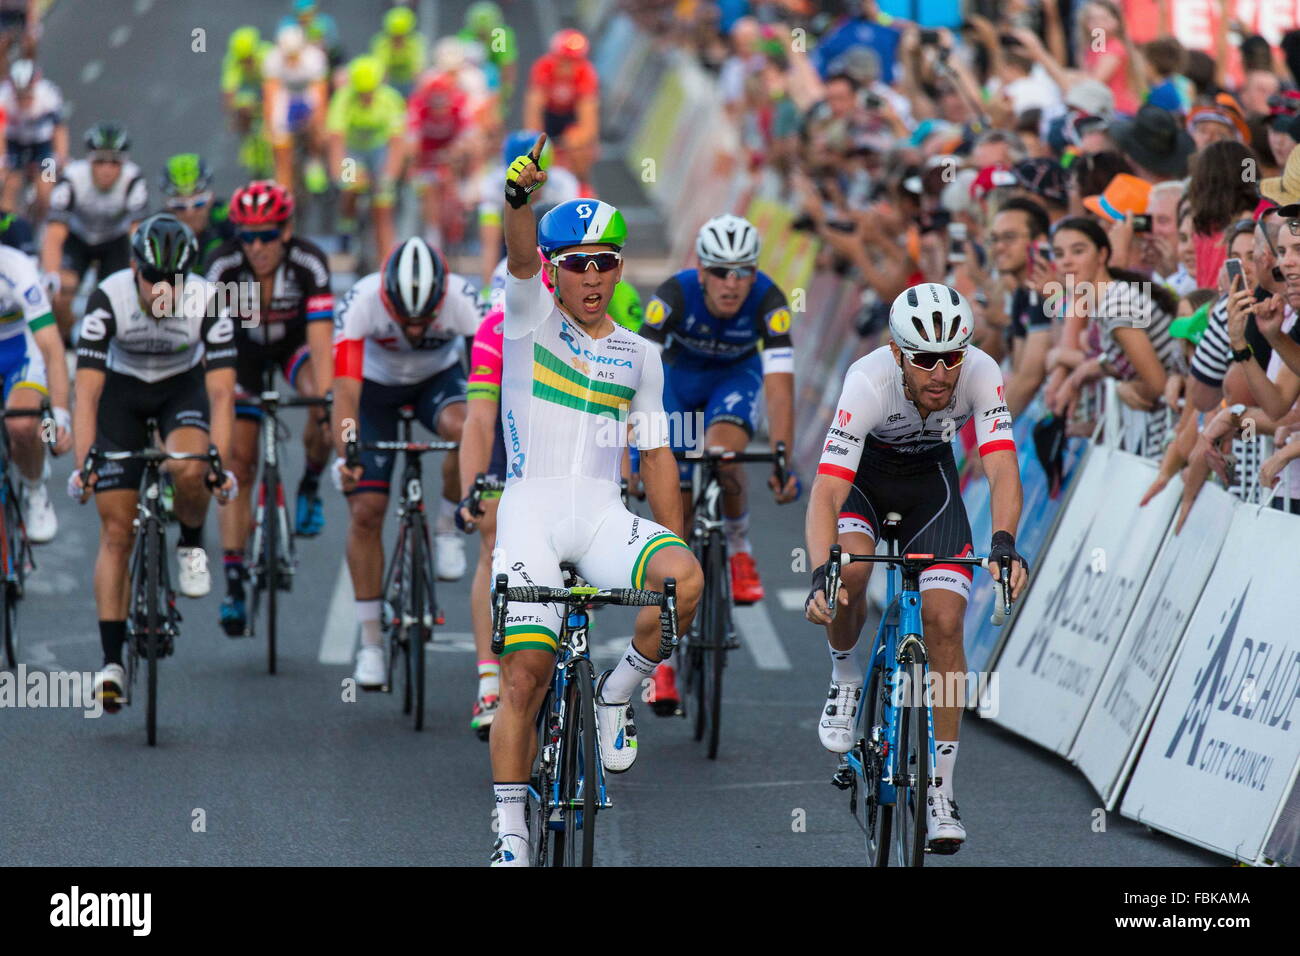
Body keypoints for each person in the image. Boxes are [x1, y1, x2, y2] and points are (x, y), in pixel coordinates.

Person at [488, 143, 702, 866]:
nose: (591, 275)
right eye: (574, 263)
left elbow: (658, 457)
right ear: (553, 272)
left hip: (604, 513)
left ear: (618, 267)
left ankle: (616, 695)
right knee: (525, 674)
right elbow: (519, 256)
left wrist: (670, 565)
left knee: (688, 578)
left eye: (604, 261)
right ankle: (512, 829)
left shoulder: (641, 355)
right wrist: (518, 200)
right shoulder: (528, 320)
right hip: (531, 513)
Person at [804, 282, 1028, 852]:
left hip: (932, 487)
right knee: (851, 576)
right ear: (899, 353)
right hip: (865, 484)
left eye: (952, 357)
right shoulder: (867, 380)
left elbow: (1002, 467)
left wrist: (1004, 542)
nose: (941, 373)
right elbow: (828, 491)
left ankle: (940, 789)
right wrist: (820, 571)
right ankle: (845, 675)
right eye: (925, 359)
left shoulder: (981, 372)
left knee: (946, 623)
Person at [70, 215, 237, 710]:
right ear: (133, 268)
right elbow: (87, 393)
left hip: (179, 388)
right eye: (154, 281)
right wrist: (84, 465)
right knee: (117, 531)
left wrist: (219, 467)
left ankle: (189, 543)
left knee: (190, 465)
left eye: (174, 283)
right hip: (120, 393)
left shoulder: (209, 300)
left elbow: (222, 393)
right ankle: (111, 663)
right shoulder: (108, 297)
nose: (164, 293)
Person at [332, 237, 484, 689]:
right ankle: (373, 645)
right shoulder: (360, 301)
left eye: (425, 320)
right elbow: (344, 391)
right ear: (385, 299)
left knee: (467, 426)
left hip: (436, 381)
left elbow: (486, 387)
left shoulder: (464, 299)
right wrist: (348, 452)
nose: (415, 330)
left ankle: (445, 526)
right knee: (366, 512)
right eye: (404, 320)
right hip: (373, 392)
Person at [204, 180, 333, 636]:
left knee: (329, 403)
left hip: (292, 348)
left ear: (286, 230)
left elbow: (320, 338)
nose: (257, 246)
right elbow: (211, 342)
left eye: (267, 234)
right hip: (239, 356)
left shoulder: (308, 262)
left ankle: (311, 485)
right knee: (239, 458)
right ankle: (235, 582)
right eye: (248, 235)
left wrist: (325, 403)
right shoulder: (221, 265)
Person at [41, 122, 148, 342]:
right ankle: (63, 339)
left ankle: (109, 343)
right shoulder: (71, 178)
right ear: (89, 161)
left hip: (114, 240)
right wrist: (51, 277)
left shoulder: (133, 180)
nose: (107, 169)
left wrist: (138, 273)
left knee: (118, 296)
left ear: (124, 163)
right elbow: (54, 235)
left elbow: (137, 233)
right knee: (62, 289)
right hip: (78, 238)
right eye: (100, 161)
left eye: (114, 162)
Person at [0, 240, 70, 542]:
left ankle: (34, 486)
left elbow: (52, 349)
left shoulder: (16, 267)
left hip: (20, 350)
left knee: (22, 422)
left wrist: (58, 420)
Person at [325, 55, 406, 260]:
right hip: (353, 151)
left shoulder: (391, 100)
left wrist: (389, 177)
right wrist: (341, 179)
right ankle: (348, 221)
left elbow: (397, 144)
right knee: (350, 185)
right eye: (361, 94)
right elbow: (336, 142)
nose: (365, 98)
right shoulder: (343, 98)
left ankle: (386, 262)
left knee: (383, 207)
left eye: (369, 93)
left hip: (379, 150)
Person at [523, 30, 599, 185]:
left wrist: (580, 142)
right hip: (548, 114)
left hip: (571, 116)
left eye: (573, 62)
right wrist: (535, 137)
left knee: (579, 149)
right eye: (563, 61)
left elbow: (588, 118)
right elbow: (534, 107)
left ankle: (581, 185)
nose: (568, 67)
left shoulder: (587, 73)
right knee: (534, 150)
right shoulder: (543, 67)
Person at [262, 23, 329, 196]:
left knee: (318, 127)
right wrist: (271, 126)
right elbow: (271, 95)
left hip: (306, 93)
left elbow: (320, 95)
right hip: (285, 95)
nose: (291, 59)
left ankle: (314, 161)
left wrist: (319, 123)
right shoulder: (272, 59)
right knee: (280, 146)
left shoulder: (315, 58)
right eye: (288, 55)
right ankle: (285, 189)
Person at [0, 57, 65, 223]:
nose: (23, 99)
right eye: (19, 94)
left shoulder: (48, 95)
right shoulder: (3, 97)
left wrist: (61, 157)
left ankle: (40, 225)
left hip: (43, 145)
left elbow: (59, 130)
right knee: (9, 186)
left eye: (27, 93)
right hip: (14, 143)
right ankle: (9, 230)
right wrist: (3, 161)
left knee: (46, 191)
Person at [157, 154, 233, 272]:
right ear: (168, 206)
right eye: (180, 205)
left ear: (211, 197)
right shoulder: (157, 227)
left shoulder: (227, 216)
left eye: (198, 203)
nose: (190, 213)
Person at [222, 26, 273, 179]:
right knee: (243, 107)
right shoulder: (232, 60)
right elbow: (229, 92)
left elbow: (273, 87)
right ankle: (249, 143)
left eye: (248, 58)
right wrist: (234, 116)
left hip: (270, 88)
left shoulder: (268, 54)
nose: (245, 63)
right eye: (242, 60)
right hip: (251, 92)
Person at [370, 5, 425, 98]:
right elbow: (380, 70)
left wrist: (416, 93)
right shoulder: (381, 43)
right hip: (389, 81)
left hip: (409, 82)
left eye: (402, 35)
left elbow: (418, 70)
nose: (398, 38)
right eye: (395, 35)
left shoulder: (416, 42)